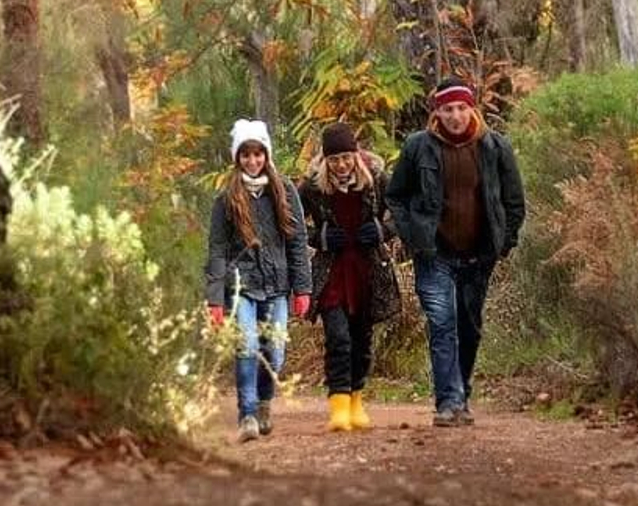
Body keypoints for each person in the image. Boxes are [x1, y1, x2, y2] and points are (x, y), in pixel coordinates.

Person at [385, 77, 526, 427]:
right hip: (434, 253)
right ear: (437, 113)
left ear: (472, 109)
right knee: (442, 323)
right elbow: (395, 196)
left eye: (461, 108)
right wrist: (413, 235)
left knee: (469, 326)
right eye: (447, 109)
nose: (455, 116)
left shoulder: (495, 147)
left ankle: (461, 390)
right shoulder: (419, 146)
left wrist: (503, 242)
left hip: (479, 255)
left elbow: (513, 202)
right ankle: (448, 401)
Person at [204, 118, 311, 442]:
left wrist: (302, 288)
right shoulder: (226, 200)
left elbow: (296, 240)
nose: (253, 161)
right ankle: (247, 415)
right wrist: (215, 299)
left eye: (258, 154)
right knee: (247, 346)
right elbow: (217, 250)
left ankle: (264, 402)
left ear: (266, 154)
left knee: (274, 352)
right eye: (246, 155)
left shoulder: (284, 190)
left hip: (277, 285)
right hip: (242, 288)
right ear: (237, 158)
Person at [298, 121, 395, 432]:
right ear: (326, 160)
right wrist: (319, 237)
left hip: (368, 269)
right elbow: (293, 222)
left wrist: (384, 230)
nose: (341, 164)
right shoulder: (313, 187)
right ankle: (338, 404)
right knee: (338, 338)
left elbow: (404, 211)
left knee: (361, 339)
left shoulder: (377, 179)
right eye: (334, 159)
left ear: (356, 155)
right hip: (332, 272)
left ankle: (356, 399)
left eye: (346, 157)